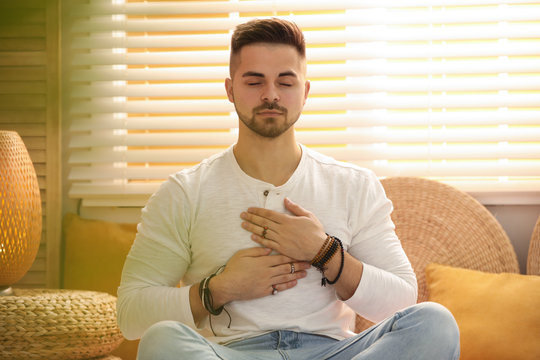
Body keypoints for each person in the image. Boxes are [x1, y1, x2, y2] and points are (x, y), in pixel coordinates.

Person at [117, 18, 460, 360]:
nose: (270, 94)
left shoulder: (354, 185)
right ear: (230, 89)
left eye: (285, 81)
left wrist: (325, 252)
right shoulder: (184, 192)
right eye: (254, 82)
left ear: (305, 92)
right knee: (163, 339)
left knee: (434, 322)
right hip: (228, 354)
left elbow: (401, 300)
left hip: (333, 352)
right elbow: (131, 315)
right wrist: (220, 288)